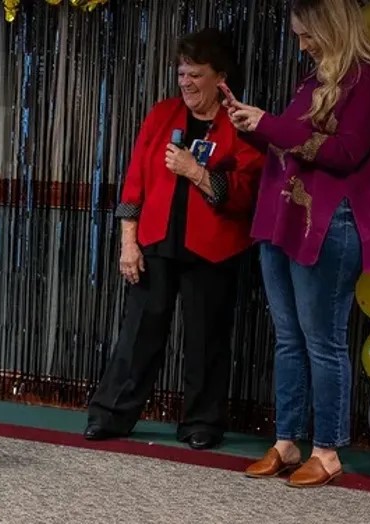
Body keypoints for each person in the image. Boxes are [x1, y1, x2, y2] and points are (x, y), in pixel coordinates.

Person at [227, 0, 370, 488]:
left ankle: (327, 450)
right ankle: (287, 441)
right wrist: (253, 127)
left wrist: (269, 124)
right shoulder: (315, 81)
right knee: (288, 337)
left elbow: (343, 154)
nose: (301, 44)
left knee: (322, 341)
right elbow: (292, 144)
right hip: (285, 216)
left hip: (329, 222)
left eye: (307, 34)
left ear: (332, 26)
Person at [83, 28, 264, 450]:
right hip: (156, 244)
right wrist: (129, 243)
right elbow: (134, 184)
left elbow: (246, 192)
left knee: (206, 341)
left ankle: (202, 422)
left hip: (213, 249)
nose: (185, 81)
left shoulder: (240, 124)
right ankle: (110, 415)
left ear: (220, 78)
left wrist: (196, 172)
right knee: (138, 334)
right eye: (182, 72)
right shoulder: (161, 114)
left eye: (195, 74)